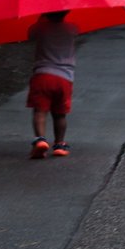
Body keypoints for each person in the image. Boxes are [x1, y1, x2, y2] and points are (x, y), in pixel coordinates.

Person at [26, 10, 78, 159]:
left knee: (40, 111)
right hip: (65, 78)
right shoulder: (72, 28)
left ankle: (40, 140)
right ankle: (60, 145)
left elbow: (30, 36)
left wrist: (40, 19)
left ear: (45, 14)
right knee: (60, 114)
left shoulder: (39, 28)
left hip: (43, 75)